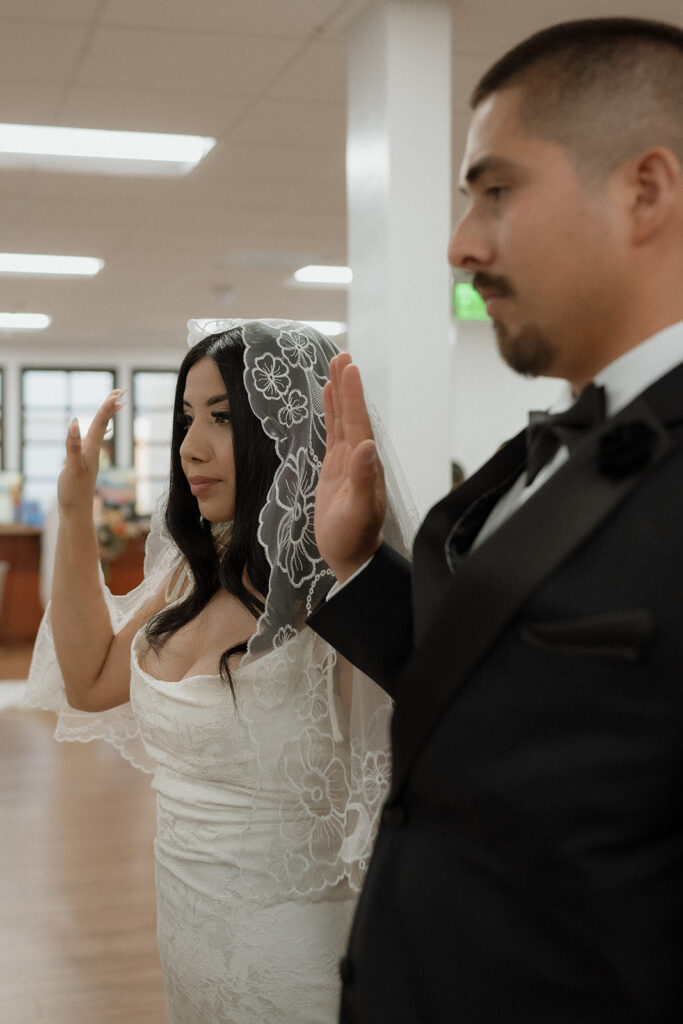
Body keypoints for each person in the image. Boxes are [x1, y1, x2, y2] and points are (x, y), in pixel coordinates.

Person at [309, 17, 683, 1024]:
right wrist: (355, 565)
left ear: (643, 190)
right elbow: (503, 699)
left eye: (496, 188)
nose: (458, 242)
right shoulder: (534, 458)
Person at [26, 319, 415, 1024]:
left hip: (295, 962)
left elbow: (413, 754)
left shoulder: (338, 600)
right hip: (186, 938)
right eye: (184, 419)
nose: (189, 448)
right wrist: (75, 510)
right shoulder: (188, 579)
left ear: (285, 432)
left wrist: (355, 565)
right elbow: (87, 681)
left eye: (221, 419)